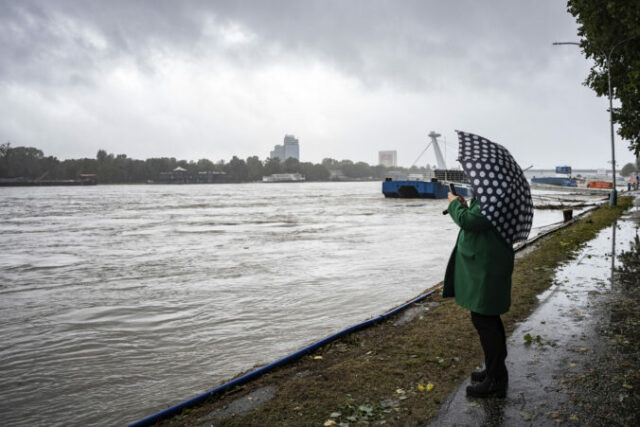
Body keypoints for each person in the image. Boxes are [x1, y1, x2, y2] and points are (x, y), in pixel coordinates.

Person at [442, 192, 514, 398]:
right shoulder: (493, 195)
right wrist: (465, 205)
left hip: (487, 266)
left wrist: (455, 205)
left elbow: (470, 221)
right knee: (488, 318)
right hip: (487, 264)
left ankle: (496, 380)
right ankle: (495, 370)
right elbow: (476, 216)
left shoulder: (493, 197)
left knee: (484, 319)